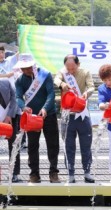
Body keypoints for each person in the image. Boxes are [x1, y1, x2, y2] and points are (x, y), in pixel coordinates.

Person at [15, 53, 61, 183]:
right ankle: (34, 174)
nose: (25, 70)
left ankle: (53, 172)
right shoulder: (20, 80)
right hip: (32, 117)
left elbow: (51, 93)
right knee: (32, 145)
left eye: (27, 67)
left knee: (52, 144)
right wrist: (23, 107)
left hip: (48, 114)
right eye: (23, 68)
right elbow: (18, 96)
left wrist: (45, 108)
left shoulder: (44, 75)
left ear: (33, 65)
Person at [54, 54, 95, 183]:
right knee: (68, 146)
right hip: (67, 115)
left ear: (78, 64)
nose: (70, 71)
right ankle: (70, 174)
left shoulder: (86, 72)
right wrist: (62, 84)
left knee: (86, 145)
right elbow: (56, 79)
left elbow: (92, 86)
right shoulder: (62, 72)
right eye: (68, 68)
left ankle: (87, 172)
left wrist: (86, 93)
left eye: (73, 68)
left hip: (82, 114)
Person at [0, 46, 27, 148]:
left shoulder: (9, 61)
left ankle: (22, 141)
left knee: (14, 127)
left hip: (11, 98)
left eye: (2, 52)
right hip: (0, 100)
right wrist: (6, 76)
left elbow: (20, 54)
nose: (0, 54)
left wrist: (22, 38)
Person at [0, 78, 22, 183]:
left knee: (13, 144)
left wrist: (9, 116)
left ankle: (14, 173)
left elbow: (15, 98)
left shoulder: (6, 83)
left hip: (11, 114)